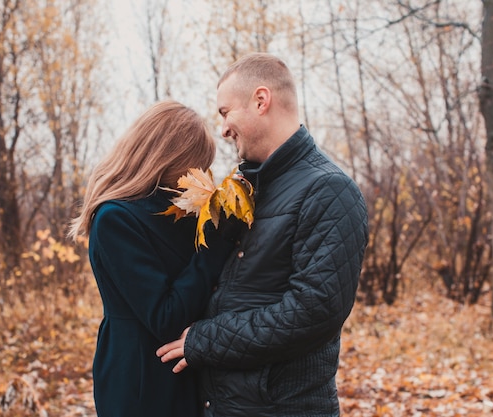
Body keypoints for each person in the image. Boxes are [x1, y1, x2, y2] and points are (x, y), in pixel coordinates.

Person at [157, 53, 369, 416]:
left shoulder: (330, 191)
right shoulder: (248, 190)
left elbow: (311, 313)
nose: (222, 129)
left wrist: (204, 339)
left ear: (260, 100)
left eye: (225, 112)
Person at [68, 100, 234, 417]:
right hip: (140, 380)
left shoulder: (175, 212)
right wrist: (214, 245)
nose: (197, 177)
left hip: (183, 370)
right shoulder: (115, 219)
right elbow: (165, 315)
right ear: (167, 158)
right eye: (193, 165)